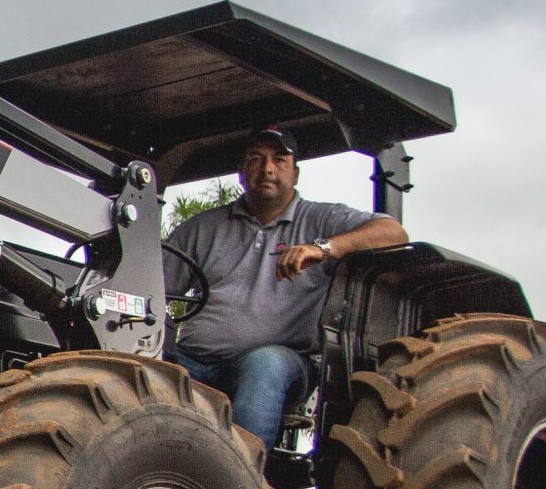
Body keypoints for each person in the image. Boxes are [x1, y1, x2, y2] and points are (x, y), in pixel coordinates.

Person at [164, 126, 408, 449]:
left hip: (284, 362)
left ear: (295, 173)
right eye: (256, 159)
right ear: (242, 172)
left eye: (279, 160)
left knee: (265, 364)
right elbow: (153, 289)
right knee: (145, 366)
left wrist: (323, 249)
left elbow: (393, 233)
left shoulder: (318, 219)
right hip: (193, 360)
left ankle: (243, 479)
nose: (267, 168)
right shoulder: (202, 228)